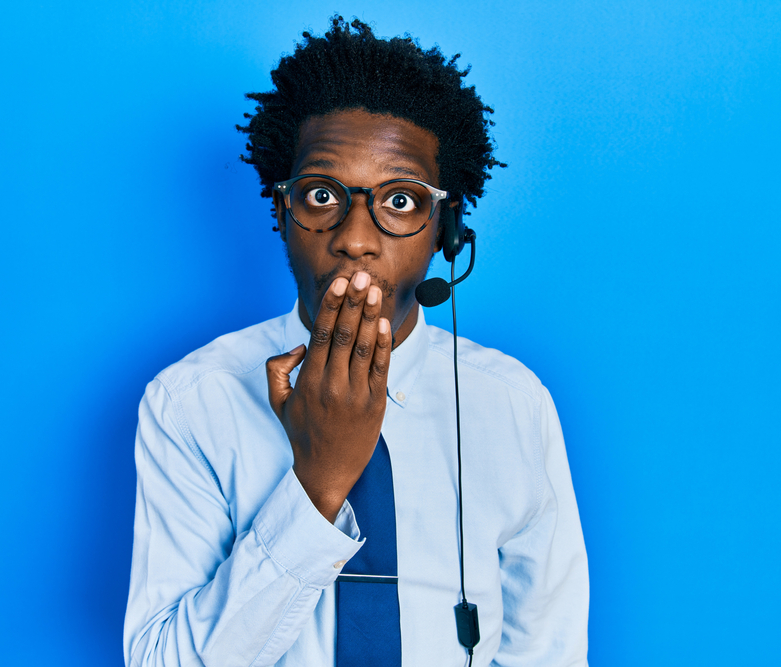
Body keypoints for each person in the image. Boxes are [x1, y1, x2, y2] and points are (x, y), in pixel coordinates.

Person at [123, 16, 588, 667]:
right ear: (282, 213)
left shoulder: (513, 405)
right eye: (321, 194)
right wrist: (317, 484)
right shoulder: (192, 403)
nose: (356, 238)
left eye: (400, 201)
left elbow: (549, 652)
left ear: (445, 231)